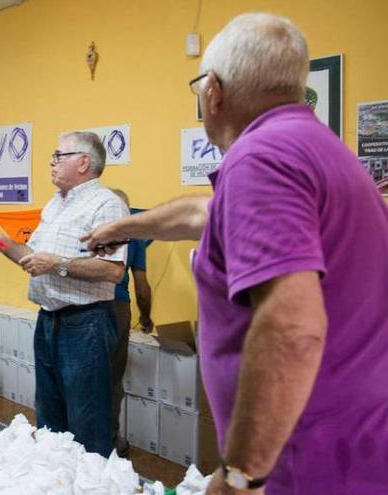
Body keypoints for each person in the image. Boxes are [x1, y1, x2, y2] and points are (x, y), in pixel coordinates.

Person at [82, 13, 388, 494]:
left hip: (305, 462)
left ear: (213, 91)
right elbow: (206, 215)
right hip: (357, 444)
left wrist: (243, 474)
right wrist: (125, 225)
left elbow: (292, 326)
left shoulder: (260, 158)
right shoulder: (318, 149)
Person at [0, 131, 128, 456]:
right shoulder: (55, 204)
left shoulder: (107, 205)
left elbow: (113, 270)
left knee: (87, 421)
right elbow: (33, 258)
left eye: (58, 155)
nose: (51, 161)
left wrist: (58, 264)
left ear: (83, 162)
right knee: (50, 418)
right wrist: (3, 244)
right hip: (48, 320)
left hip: (85, 324)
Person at [108, 188, 153, 458]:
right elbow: (142, 287)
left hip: (79, 308)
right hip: (116, 308)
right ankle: (109, 439)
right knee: (112, 379)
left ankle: (74, 437)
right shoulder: (132, 236)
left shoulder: (91, 230)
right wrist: (146, 318)